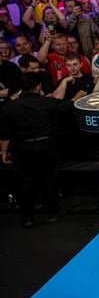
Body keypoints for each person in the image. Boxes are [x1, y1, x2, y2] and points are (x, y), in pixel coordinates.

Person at [0, 72, 73, 227]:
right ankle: (53, 212)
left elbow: (4, 135)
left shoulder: (9, 107)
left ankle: (27, 217)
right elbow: (68, 107)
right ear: (38, 86)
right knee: (49, 179)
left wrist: (4, 152)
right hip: (46, 145)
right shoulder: (47, 103)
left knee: (25, 182)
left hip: (22, 148)